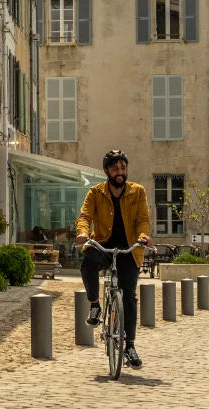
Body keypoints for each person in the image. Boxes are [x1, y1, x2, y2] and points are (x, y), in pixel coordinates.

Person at [75, 150, 152, 369]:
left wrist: (143, 236)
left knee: (129, 296)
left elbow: (143, 219)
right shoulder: (95, 192)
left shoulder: (138, 192)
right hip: (103, 244)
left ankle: (129, 345)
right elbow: (85, 216)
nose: (120, 172)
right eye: (115, 168)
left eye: (123, 168)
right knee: (88, 261)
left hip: (129, 247)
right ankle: (95, 305)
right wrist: (82, 232)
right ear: (107, 171)